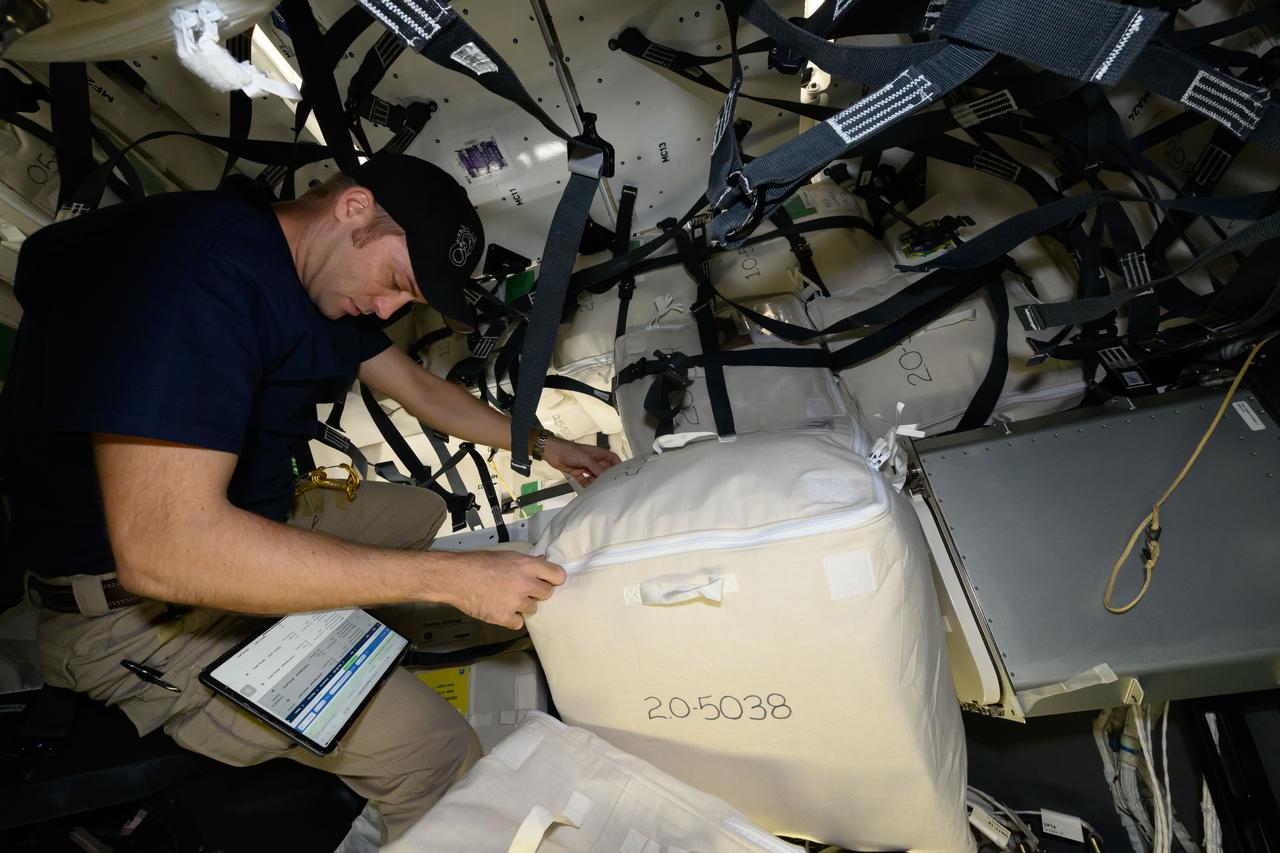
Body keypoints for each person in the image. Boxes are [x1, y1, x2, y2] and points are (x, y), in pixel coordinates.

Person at [0, 153, 620, 841]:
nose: (387, 309)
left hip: (248, 508)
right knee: (439, 758)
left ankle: (349, 608)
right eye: (394, 282)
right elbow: (164, 551)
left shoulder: (302, 271)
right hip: (136, 605)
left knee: (422, 512)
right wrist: (454, 579)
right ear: (353, 208)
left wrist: (546, 445)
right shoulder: (198, 277)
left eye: (405, 301)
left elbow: (423, 393)